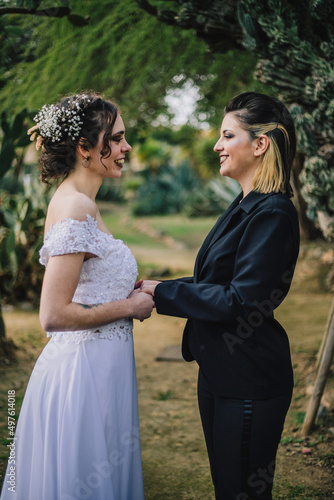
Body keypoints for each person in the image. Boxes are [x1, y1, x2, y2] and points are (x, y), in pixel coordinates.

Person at [141, 92, 300, 500]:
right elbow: (212, 279)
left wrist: (163, 295)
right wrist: (153, 287)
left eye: (228, 136)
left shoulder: (274, 213)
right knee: (226, 488)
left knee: (241, 492)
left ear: (260, 144)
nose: (217, 146)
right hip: (218, 372)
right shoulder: (246, 203)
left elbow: (240, 300)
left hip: (249, 379)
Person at [0, 93, 154, 500]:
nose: (126, 148)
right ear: (85, 149)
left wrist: (133, 289)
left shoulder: (83, 202)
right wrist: (129, 307)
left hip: (104, 367)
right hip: (83, 374)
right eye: (117, 139)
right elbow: (52, 315)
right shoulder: (75, 207)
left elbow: (87, 283)